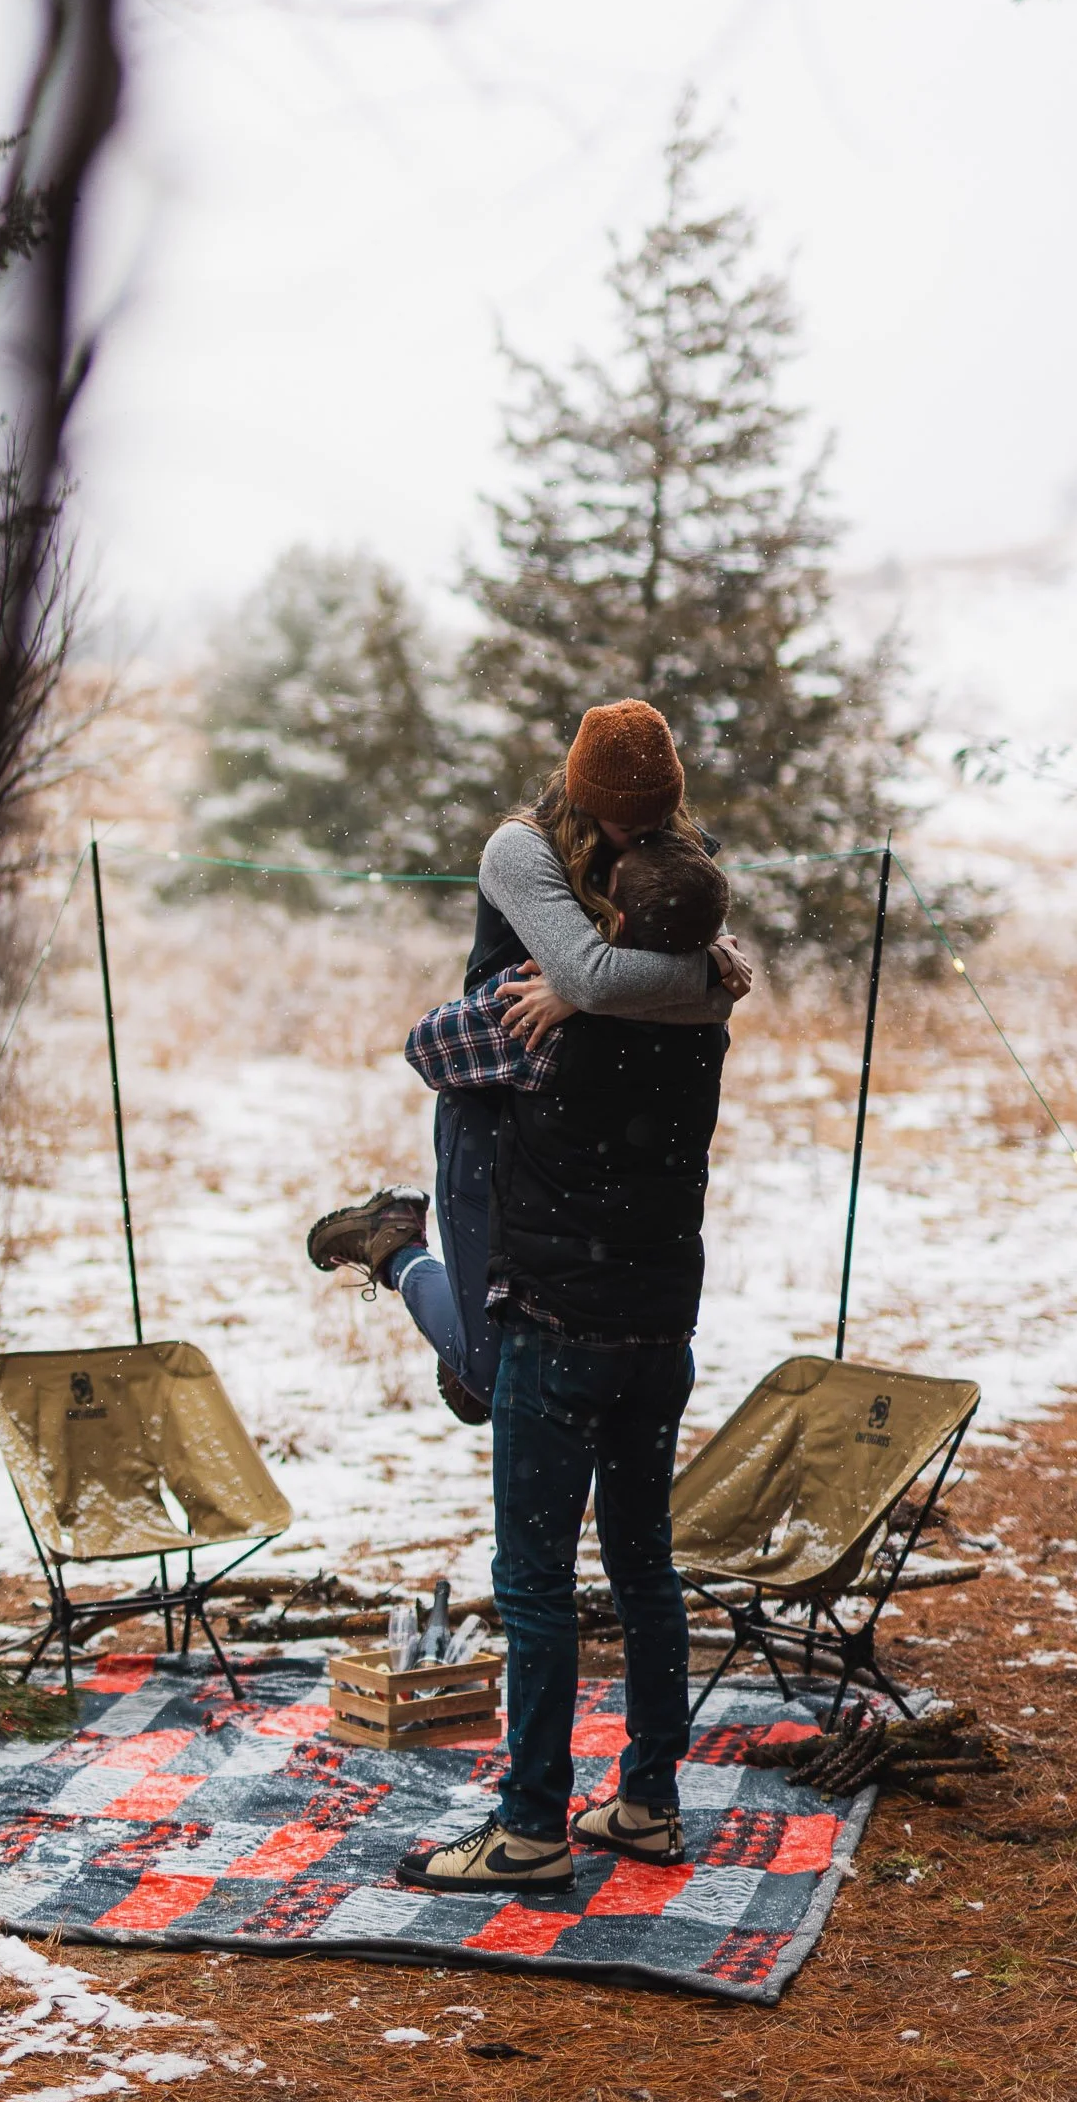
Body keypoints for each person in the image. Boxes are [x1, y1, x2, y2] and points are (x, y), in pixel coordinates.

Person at [395, 823, 736, 1892]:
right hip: (657, 1333)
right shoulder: (705, 1019)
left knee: (534, 1583)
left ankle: (531, 1825)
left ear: (614, 927)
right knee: (642, 1569)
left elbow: (424, 1047)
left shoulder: (533, 1025)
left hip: (555, 1332)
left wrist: (560, 979)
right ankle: (645, 1801)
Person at [305, 700, 748, 1426]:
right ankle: (394, 1246)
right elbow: (612, 975)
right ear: (583, 796)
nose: (637, 835)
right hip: (493, 1097)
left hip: (594, 1123)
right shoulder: (520, 850)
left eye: (653, 819)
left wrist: (616, 987)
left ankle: (481, 1354)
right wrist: (693, 974)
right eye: (620, 820)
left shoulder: (675, 846)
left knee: (557, 1347)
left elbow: (698, 992)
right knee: (489, 1372)